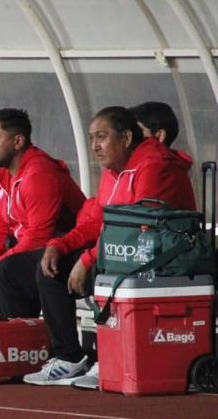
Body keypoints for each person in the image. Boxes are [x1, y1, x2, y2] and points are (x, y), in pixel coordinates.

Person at [24, 106, 196, 385]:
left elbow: (136, 230)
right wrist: (59, 244)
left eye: (101, 137)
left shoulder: (153, 166)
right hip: (121, 253)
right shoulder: (113, 170)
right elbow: (96, 221)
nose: (94, 146)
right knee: (42, 268)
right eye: (91, 138)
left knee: (100, 273)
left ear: (126, 138)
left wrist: (87, 259)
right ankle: (66, 358)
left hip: (156, 257)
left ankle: (111, 359)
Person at [0, 109, 86, 321]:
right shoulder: (3, 174)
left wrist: (0, 262)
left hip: (63, 249)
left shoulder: (38, 174)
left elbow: (39, 236)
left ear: (18, 141)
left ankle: (17, 344)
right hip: (29, 245)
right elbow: (0, 225)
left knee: (8, 269)